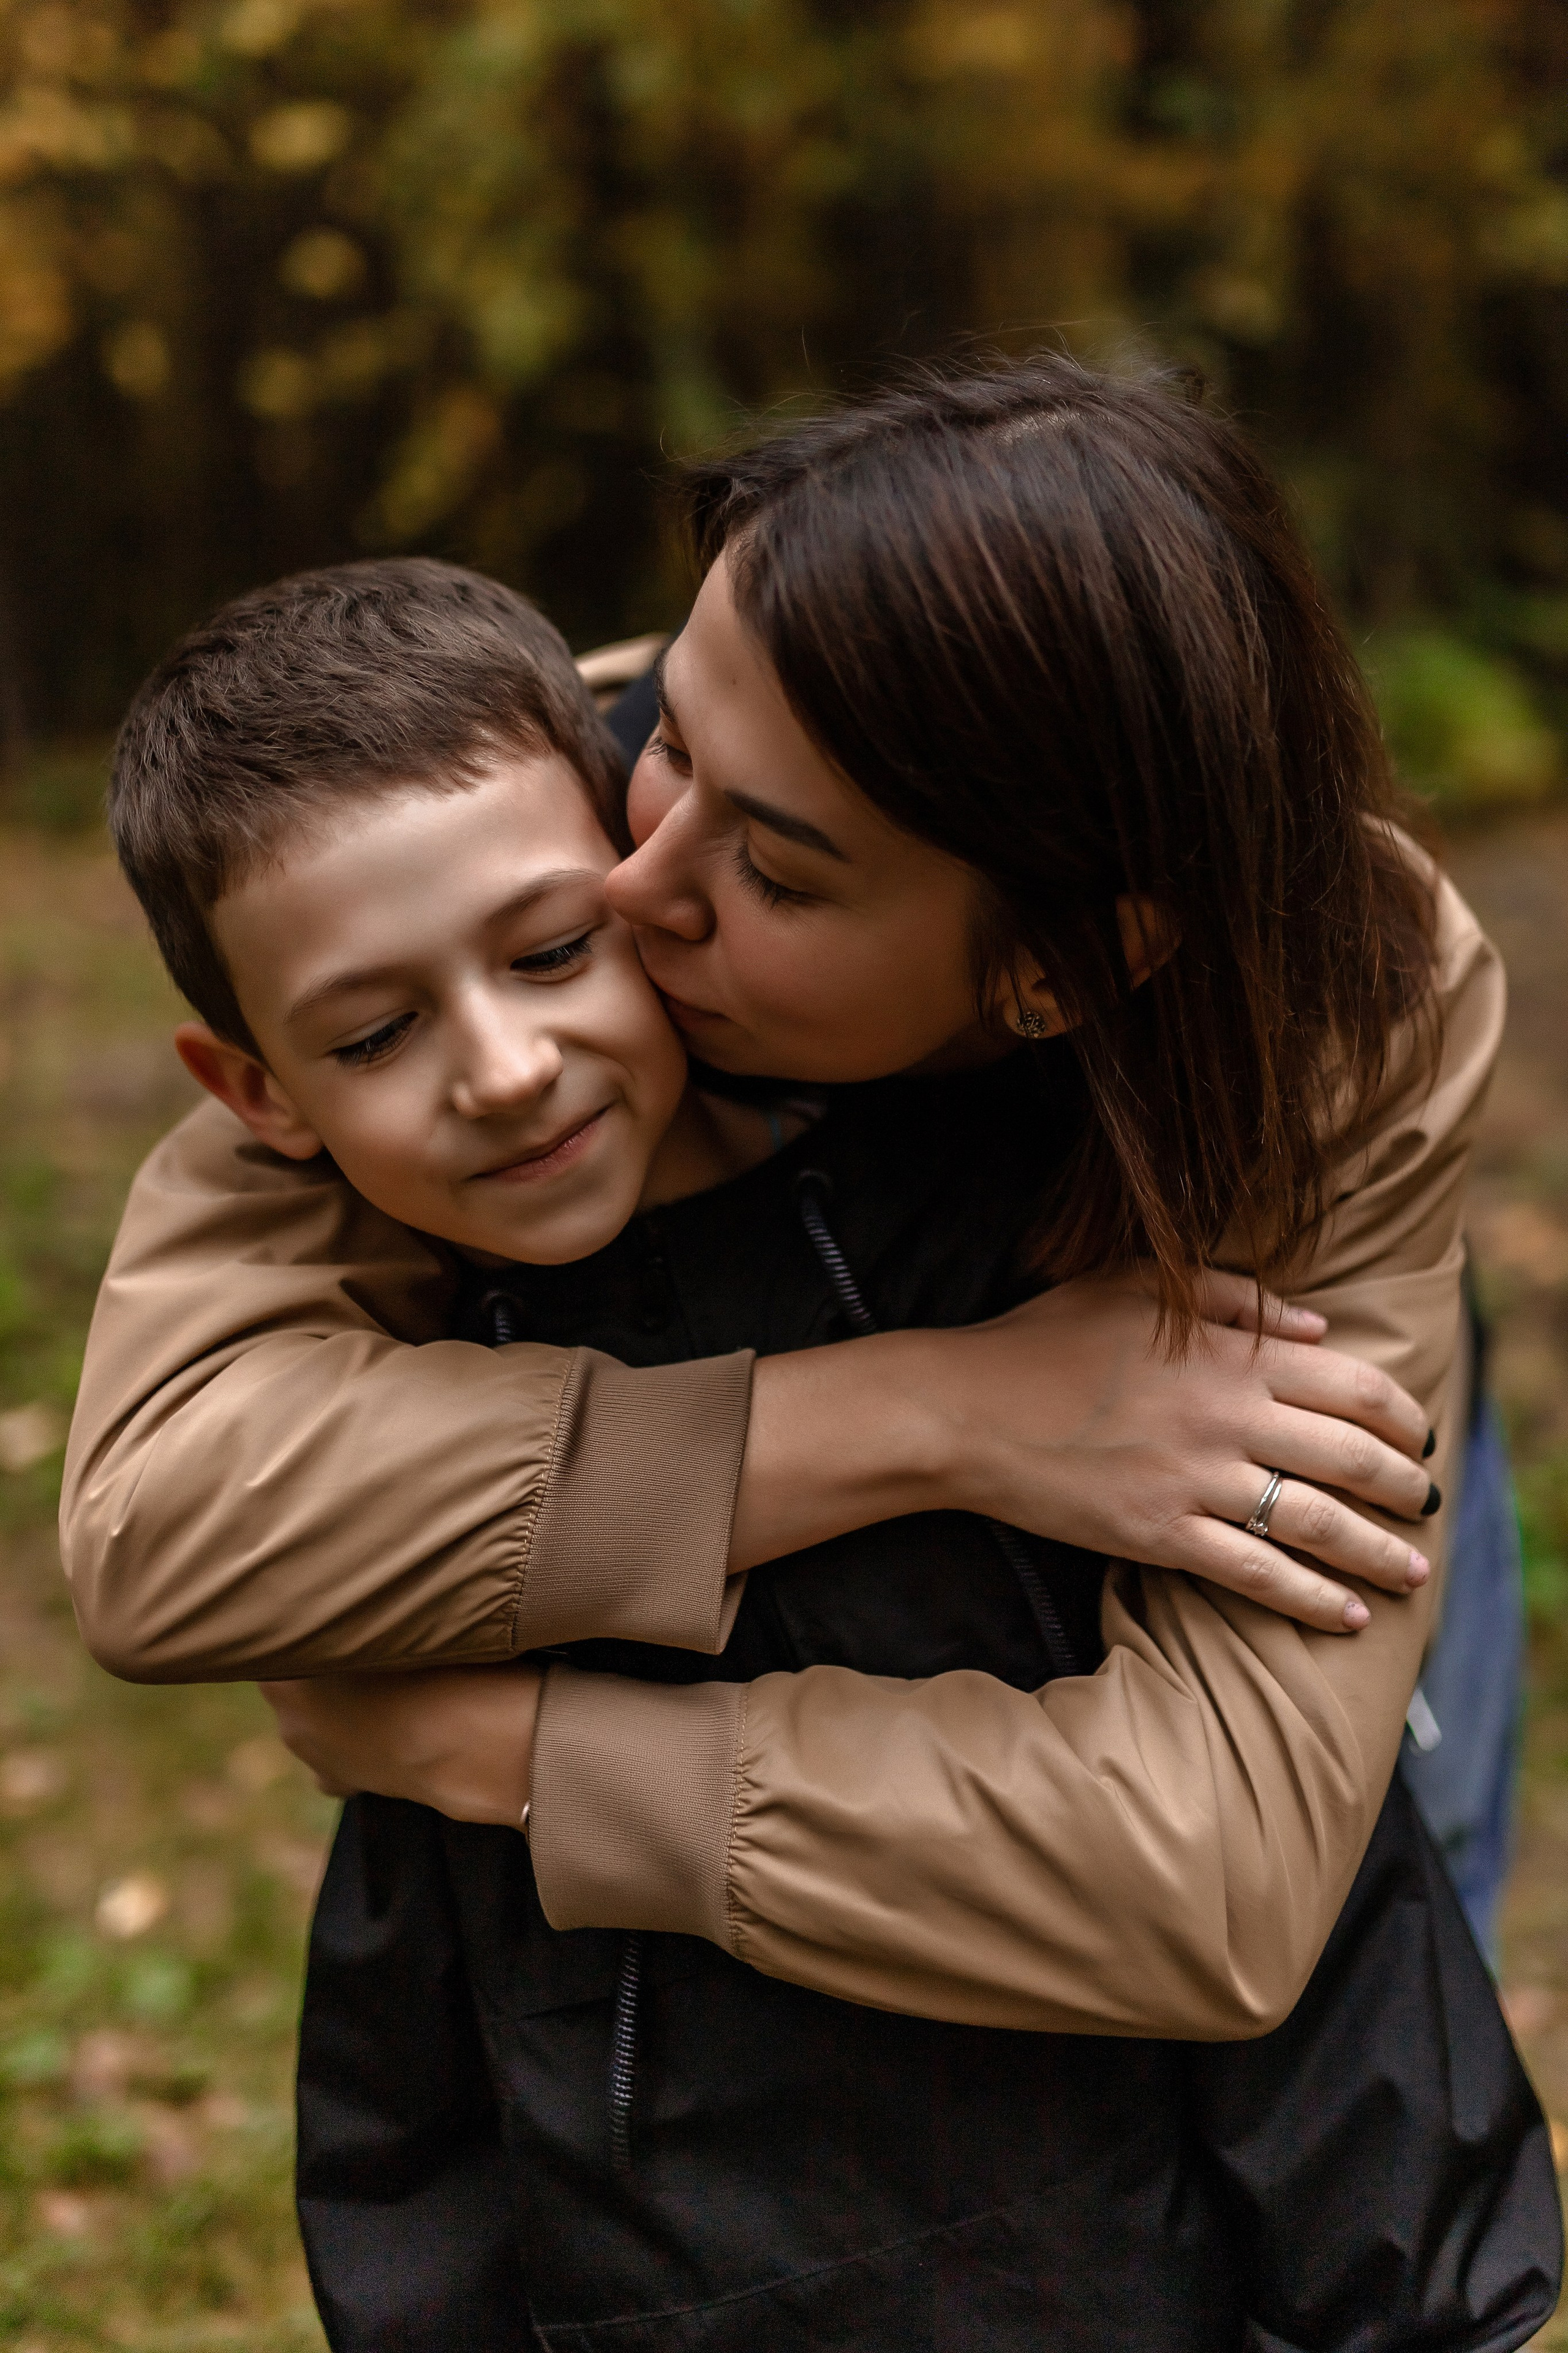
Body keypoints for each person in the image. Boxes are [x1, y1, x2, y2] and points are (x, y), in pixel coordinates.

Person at [64, 361, 1559, 2346]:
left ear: (1065, 965)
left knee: (1375, 1964)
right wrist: (939, 1413)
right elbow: (168, 1526)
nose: (629, 887)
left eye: (772, 870)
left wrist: (532, 1757)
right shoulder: (485, 871)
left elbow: (1215, 1864)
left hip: (1237, 1417)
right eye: (669, 738)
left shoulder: (1336, 1004)